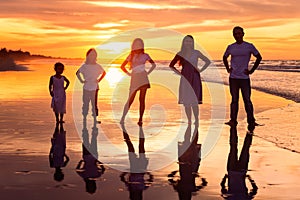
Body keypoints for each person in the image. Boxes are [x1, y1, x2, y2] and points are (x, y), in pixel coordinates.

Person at [223, 26, 262, 131]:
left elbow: (259, 57)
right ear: (233, 35)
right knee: (234, 100)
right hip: (233, 78)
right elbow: (224, 57)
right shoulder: (231, 47)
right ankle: (233, 121)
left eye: (239, 33)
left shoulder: (249, 46)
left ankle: (251, 121)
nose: (237, 35)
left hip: (244, 78)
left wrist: (251, 70)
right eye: (235, 34)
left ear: (243, 34)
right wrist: (228, 68)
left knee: (247, 100)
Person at [169, 35, 210, 125]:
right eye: (186, 41)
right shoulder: (180, 53)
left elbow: (207, 61)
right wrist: (179, 73)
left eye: (190, 41)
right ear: (183, 42)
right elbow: (171, 65)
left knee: (194, 100)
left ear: (193, 43)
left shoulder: (196, 52)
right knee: (187, 101)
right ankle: (189, 121)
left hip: (195, 78)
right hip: (185, 79)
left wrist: (200, 70)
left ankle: (196, 120)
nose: (188, 43)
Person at [119, 38, 156, 126]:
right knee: (130, 99)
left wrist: (148, 73)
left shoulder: (145, 55)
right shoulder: (131, 56)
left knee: (142, 99)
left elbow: (154, 65)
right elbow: (122, 66)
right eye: (136, 44)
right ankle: (123, 118)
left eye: (139, 44)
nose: (138, 46)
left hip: (143, 77)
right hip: (135, 78)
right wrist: (129, 74)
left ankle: (140, 119)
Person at [220, 126, 258, 199]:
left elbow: (255, 190)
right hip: (233, 171)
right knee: (234, 148)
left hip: (240, 171)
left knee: (244, 149)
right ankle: (237, 129)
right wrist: (225, 178)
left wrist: (250, 180)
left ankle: (249, 131)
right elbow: (223, 189)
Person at [76, 48, 106, 123]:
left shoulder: (97, 66)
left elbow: (104, 73)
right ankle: (84, 118)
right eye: (91, 54)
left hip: (95, 87)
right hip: (86, 87)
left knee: (94, 103)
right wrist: (82, 80)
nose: (92, 56)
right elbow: (77, 73)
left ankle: (95, 119)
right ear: (88, 56)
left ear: (95, 56)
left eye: (93, 54)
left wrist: (99, 80)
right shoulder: (84, 66)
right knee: (85, 103)